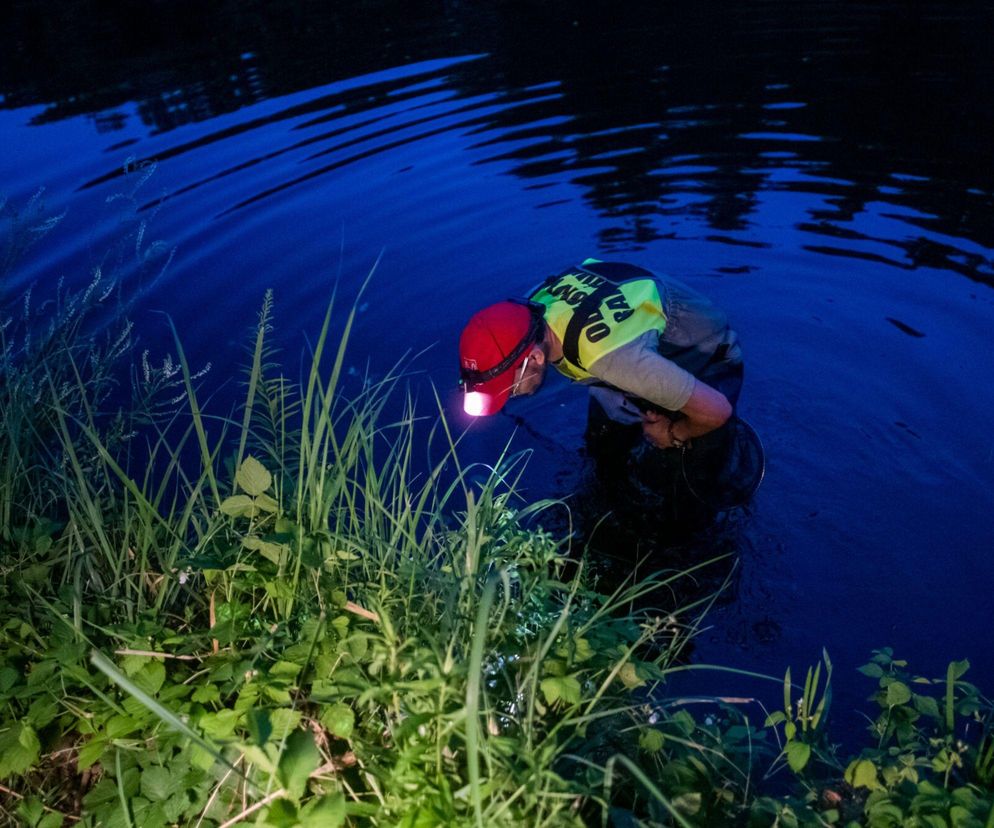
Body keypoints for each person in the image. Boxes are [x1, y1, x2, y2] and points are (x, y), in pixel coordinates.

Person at [458, 260, 743, 471]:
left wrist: (673, 433)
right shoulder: (534, 303)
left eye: (510, 388)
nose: (510, 396)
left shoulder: (611, 357)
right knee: (603, 448)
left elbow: (717, 412)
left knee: (690, 459)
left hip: (703, 354)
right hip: (631, 350)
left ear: (535, 358)